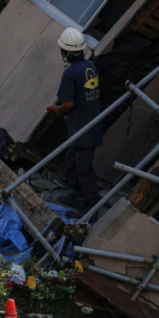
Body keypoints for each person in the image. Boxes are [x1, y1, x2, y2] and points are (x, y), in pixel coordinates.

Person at [49, 27, 103, 210]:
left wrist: (59, 110)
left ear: (65, 51)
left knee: (83, 170)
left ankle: (92, 207)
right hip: (90, 125)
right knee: (71, 160)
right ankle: (78, 195)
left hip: (82, 131)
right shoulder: (90, 67)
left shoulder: (70, 73)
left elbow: (69, 104)